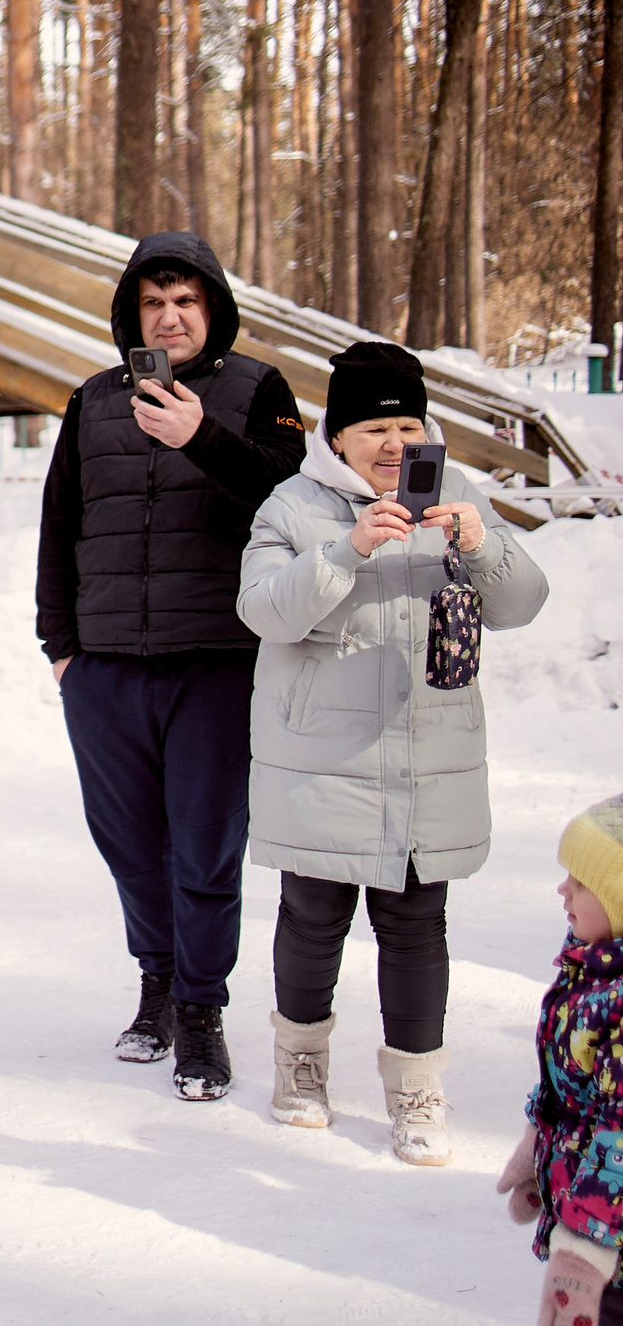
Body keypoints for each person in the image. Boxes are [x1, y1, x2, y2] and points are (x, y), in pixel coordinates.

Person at [239, 341, 545, 1160]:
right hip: (322, 756)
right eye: (374, 427)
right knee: (313, 918)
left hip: (424, 753)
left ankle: (417, 1087)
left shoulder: (456, 494)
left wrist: (482, 543)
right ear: (336, 435)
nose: (392, 442)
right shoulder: (292, 506)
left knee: (416, 923)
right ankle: (300, 1064)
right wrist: (347, 549)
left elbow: (522, 603)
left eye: (407, 425)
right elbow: (263, 609)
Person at [37, 232, 307, 1101]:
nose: (170, 316)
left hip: (217, 662)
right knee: (129, 845)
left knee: (204, 847)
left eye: (185, 300)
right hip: (106, 667)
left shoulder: (258, 390)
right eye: (153, 302)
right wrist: (62, 648)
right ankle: (156, 982)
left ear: (212, 307)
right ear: (132, 313)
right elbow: (59, 523)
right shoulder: (92, 400)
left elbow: (291, 500)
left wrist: (201, 436)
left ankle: (200, 1008)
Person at [496, 794, 623, 1326]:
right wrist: (539, 1140)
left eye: (580, 882)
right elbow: (569, 1081)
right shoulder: (591, 969)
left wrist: (585, 1252)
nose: (562, 890)